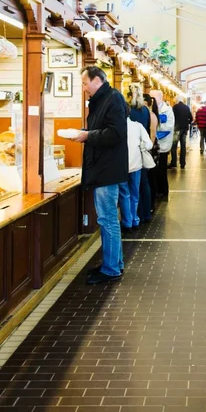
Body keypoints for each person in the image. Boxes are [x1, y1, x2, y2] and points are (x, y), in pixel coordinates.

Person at [71, 66, 128, 285]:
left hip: (107, 169)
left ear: (97, 80)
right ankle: (113, 263)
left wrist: (87, 135)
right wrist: (86, 133)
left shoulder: (112, 99)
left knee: (107, 219)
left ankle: (111, 268)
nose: (84, 88)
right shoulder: (102, 100)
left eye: (85, 83)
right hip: (103, 167)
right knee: (107, 219)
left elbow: (116, 133)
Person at [121, 110, 153, 230]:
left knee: (124, 194)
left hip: (121, 166)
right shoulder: (138, 126)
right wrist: (140, 145)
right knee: (135, 193)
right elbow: (149, 144)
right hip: (136, 165)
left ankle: (127, 222)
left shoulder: (116, 126)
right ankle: (135, 219)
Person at [150, 90, 175, 201]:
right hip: (153, 145)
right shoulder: (151, 109)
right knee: (153, 170)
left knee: (161, 169)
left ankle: (163, 191)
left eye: (153, 98)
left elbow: (168, 127)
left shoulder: (167, 110)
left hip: (162, 145)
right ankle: (156, 190)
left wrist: (154, 134)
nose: (152, 100)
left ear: (160, 97)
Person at [140, 93, 157, 220]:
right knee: (147, 179)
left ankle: (149, 206)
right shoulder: (148, 114)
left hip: (148, 150)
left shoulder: (150, 115)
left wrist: (148, 148)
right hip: (147, 149)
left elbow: (152, 134)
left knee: (148, 179)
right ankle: (147, 206)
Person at [171, 97, 192, 169]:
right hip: (184, 129)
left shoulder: (175, 107)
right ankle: (182, 163)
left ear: (177, 100)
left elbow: (172, 117)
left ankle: (174, 163)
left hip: (176, 129)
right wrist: (187, 123)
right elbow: (191, 118)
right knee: (183, 146)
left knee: (174, 146)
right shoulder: (187, 107)